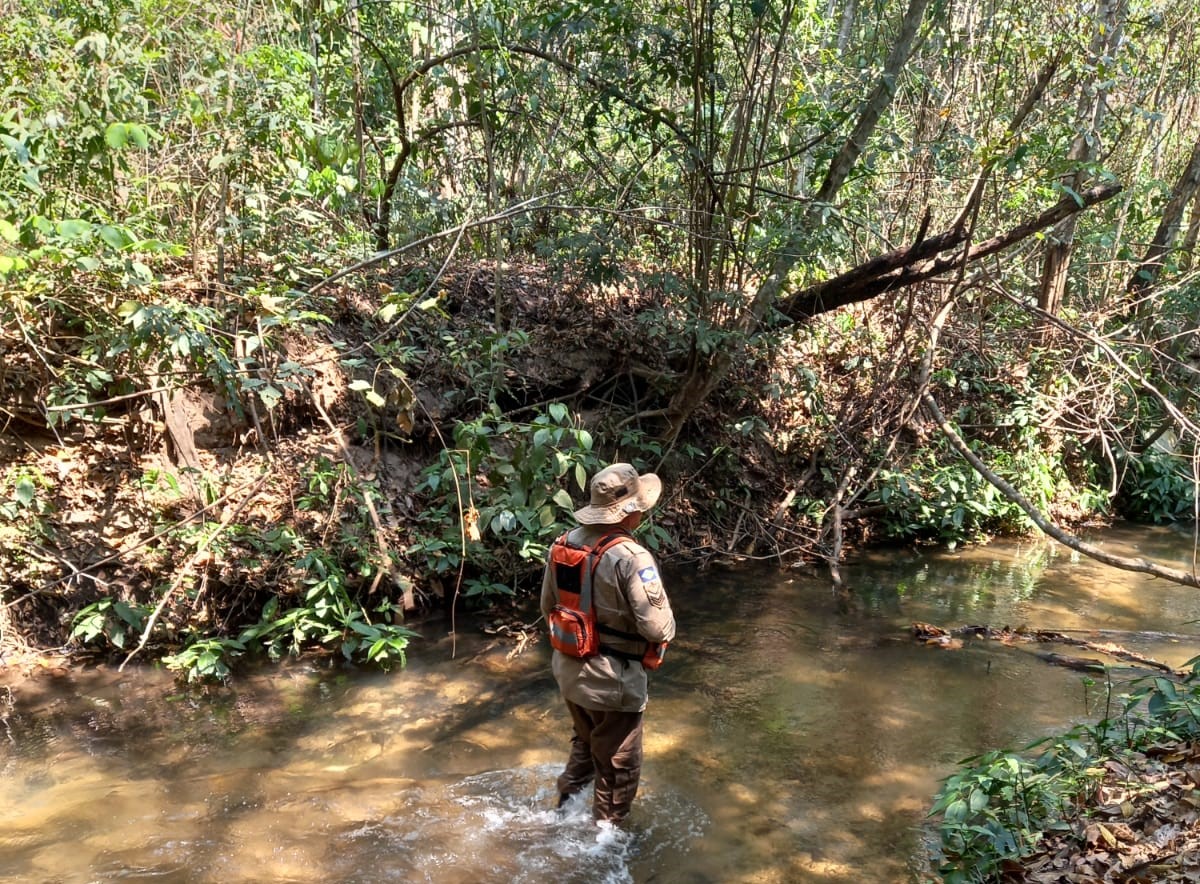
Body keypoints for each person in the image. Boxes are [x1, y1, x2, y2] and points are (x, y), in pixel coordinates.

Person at [540, 462, 676, 825]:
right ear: (631, 511)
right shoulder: (632, 558)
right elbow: (658, 628)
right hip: (613, 682)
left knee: (586, 744)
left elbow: (545, 608)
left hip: (570, 672)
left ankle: (561, 814)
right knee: (619, 767)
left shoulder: (562, 544)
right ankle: (607, 844)